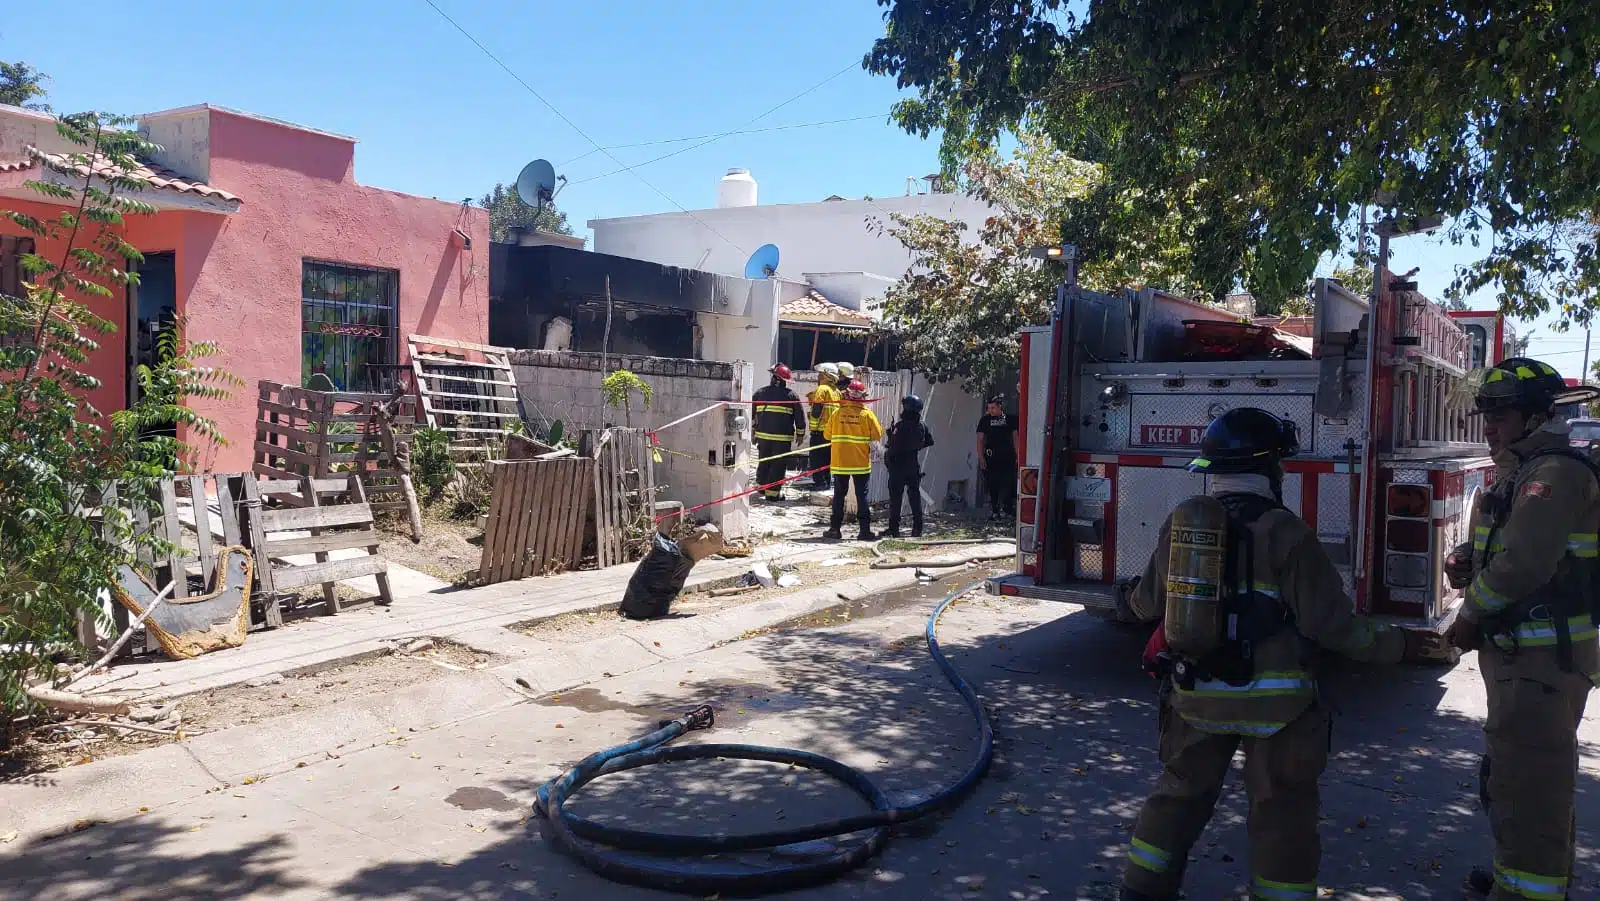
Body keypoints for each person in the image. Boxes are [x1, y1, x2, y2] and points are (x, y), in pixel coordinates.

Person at [1114, 407, 1443, 901]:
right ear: (1270, 470)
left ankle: (1141, 890)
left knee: (1177, 798)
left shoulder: (1184, 524)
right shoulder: (1287, 533)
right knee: (1282, 814)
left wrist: (1126, 597)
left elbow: (1146, 603)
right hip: (1278, 710)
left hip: (1197, 695)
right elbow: (1331, 625)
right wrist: (1401, 645)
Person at [1439, 357, 1597, 901]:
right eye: (1486, 414)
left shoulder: (1555, 474)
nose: (1489, 426)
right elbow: (1503, 550)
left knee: (1528, 790)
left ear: (1535, 417)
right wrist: (1463, 559)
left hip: (1542, 663)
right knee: (1521, 784)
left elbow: (1524, 565)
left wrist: (1469, 614)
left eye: (1500, 415)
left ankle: (1525, 890)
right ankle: (1521, 878)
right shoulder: (1520, 473)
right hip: (1524, 663)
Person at [822, 380, 883, 541]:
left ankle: (835, 530)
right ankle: (864, 531)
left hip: (840, 462)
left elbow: (826, 435)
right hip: (860, 463)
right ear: (863, 396)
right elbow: (877, 435)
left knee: (839, 496)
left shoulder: (837, 413)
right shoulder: (867, 414)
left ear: (847, 394)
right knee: (861, 497)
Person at [750, 364, 806, 501]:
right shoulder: (791, 396)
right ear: (783, 380)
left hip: (762, 437)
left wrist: (752, 431)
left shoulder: (759, 393)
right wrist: (800, 433)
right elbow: (799, 417)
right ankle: (773, 494)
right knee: (778, 464)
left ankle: (762, 487)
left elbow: (751, 414)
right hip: (782, 439)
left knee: (764, 461)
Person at [884, 394, 934, 538]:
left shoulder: (900, 426)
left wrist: (890, 440)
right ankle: (917, 529)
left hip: (898, 466)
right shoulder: (922, 425)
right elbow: (930, 441)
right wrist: (916, 447)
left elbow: (894, 447)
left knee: (896, 499)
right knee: (915, 498)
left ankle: (894, 529)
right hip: (913, 466)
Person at [977, 396, 1019, 521]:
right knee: (992, 484)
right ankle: (995, 511)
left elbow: (1016, 438)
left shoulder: (1010, 420)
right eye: (989, 408)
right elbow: (980, 439)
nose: (991, 410)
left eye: (993, 408)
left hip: (1008, 457)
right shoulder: (985, 420)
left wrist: (1018, 456)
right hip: (991, 457)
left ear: (1000, 407)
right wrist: (981, 457)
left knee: (1008, 483)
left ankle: (1007, 509)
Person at [806, 363, 842, 490]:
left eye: (820, 374)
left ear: (827, 375)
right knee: (827, 459)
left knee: (816, 459)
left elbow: (816, 412)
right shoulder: (836, 392)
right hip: (831, 432)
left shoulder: (822, 389)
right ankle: (826, 482)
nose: (818, 376)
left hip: (819, 431)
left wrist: (810, 412)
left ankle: (819, 483)